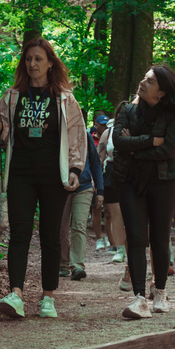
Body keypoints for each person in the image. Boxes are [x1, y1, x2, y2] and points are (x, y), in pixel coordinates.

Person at [0, 38, 86, 319]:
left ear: (50, 63)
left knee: (51, 236)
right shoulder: (13, 95)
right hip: (21, 174)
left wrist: (76, 170)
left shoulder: (64, 98)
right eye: (28, 59)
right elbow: (1, 137)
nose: (32, 64)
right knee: (19, 234)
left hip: (54, 175)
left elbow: (77, 137)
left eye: (38, 59)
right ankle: (15, 295)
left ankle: (48, 297)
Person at [112, 65, 175, 319]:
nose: (142, 82)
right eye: (144, 78)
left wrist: (135, 148)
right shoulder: (127, 110)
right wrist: (151, 140)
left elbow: (169, 151)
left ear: (161, 92)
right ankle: (139, 298)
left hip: (164, 183)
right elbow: (119, 142)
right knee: (136, 238)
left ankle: (160, 292)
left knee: (160, 239)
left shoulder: (174, 117)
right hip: (131, 182)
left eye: (149, 81)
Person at [59, 130, 104, 281]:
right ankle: (63, 264)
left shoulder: (84, 135)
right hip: (60, 188)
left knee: (78, 224)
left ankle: (77, 266)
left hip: (84, 187)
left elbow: (96, 163)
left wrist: (100, 191)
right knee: (61, 228)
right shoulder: (57, 132)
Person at [96, 118, 131, 291]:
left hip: (130, 171)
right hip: (110, 171)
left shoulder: (134, 128)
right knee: (112, 212)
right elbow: (100, 154)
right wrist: (96, 177)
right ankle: (120, 248)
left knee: (126, 213)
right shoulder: (107, 132)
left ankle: (129, 249)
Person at [91, 114, 109, 250]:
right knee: (96, 207)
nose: (103, 127)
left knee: (109, 209)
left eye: (105, 125)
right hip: (96, 176)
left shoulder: (111, 136)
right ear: (95, 124)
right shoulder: (90, 137)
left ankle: (111, 237)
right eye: (101, 124)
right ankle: (99, 238)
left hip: (108, 176)